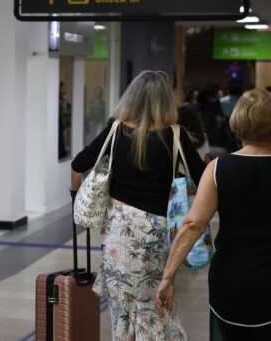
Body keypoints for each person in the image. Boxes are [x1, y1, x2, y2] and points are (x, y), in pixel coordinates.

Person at [71, 70, 205, 340]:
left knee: (122, 304)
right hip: (158, 231)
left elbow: (79, 164)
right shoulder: (176, 135)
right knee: (153, 298)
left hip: (118, 229)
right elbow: (203, 178)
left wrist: (74, 194)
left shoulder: (116, 128)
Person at [156, 89, 271, 340]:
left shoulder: (219, 168)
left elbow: (192, 225)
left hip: (230, 280)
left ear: (238, 122)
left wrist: (168, 276)